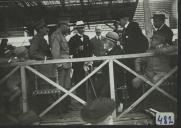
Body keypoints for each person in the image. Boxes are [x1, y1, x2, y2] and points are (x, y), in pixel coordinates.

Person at [132, 32, 177, 99]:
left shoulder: (167, 48)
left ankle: (160, 100)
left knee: (155, 80)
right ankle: (140, 100)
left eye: (152, 40)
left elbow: (175, 48)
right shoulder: (149, 50)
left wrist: (159, 49)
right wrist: (138, 72)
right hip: (149, 74)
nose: (150, 41)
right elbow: (138, 60)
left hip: (163, 74)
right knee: (135, 81)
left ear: (158, 41)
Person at [118, 12, 149, 100]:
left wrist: (139, 55)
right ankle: (132, 98)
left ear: (125, 19)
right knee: (129, 78)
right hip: (129, 59)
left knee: (135, 78)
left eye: (119, 20)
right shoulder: (125, 29)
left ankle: (137, 99)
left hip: (134, 60)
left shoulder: (134, 27)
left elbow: (144, 42)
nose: (119, 22)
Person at [50, 18, 72, 113]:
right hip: (62, 65)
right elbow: (55, 52)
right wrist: (58, 64)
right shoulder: (56, 36)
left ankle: (66, 106)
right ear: (61, 25)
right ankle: (62, 108)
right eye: (66, 25)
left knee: (67, 86)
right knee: (62, 87)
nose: (68, 27)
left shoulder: (61, 35)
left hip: (66, 64)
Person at [69, 20, 93, 101]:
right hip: (78, 66)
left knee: (88, 82)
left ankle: (87, 99)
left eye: (83, 28)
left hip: (87, 65)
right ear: (77, 29)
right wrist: (77, 49)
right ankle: (80, 100)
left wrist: (89, 61)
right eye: (81, 28)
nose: (83, 29)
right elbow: (70, 51)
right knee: (79, 82)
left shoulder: (87, 38)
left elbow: (90, 50)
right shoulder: (72, 39)